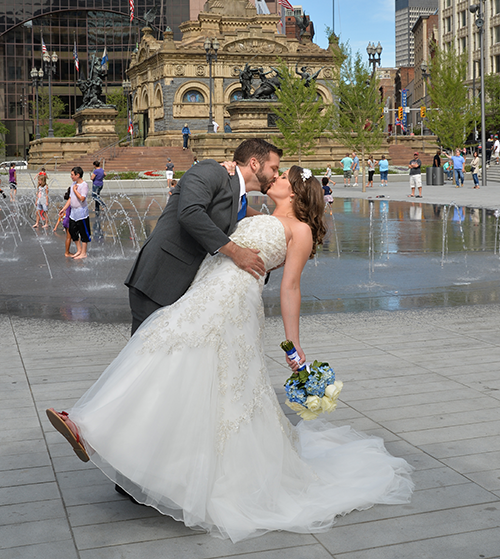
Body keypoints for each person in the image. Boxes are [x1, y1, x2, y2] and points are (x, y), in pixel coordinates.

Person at [46, 166, 413, 543]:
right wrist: (222, 175)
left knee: (173, 352)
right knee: (171, 357)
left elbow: (290, 289)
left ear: (298, 192)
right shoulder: (259, 215)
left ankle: (95, 429)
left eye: (283, 178)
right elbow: (212, 217)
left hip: (232, 301)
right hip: (204, 287)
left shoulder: (299, 231)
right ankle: (127, 446)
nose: (275, 180)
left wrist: (293, 343)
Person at [125, 138, 283, 335]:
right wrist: (235, 251)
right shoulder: (212, 170)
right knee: (143, 356)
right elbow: (190, 213)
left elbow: (235, 211)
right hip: (160, 279)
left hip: (189, 289)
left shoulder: (237, 193)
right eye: (274, 168)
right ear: (254, 163)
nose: (276, 175)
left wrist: (277, 227)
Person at [59, 167, 91, 259]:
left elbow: (82, 198)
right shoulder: (74, 184)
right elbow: (70, 199)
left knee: (83, 232)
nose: (71, 176)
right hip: (73, 213)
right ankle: (79, 250)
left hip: (82, 213)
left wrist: (75, 190)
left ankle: (84, 253)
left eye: (72, 175)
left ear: (78, 175)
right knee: (72, 231)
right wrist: (64, 209)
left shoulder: (84, 185)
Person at [53, 188, 73, 256]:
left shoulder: (68, 201)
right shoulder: (72, 202)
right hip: (69, 221)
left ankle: (69, 252)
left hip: (66, 220)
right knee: (69, 237)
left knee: (70, 237)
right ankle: (67, 253)